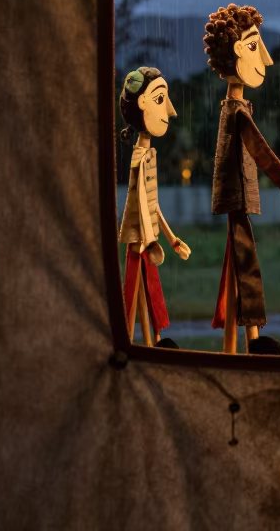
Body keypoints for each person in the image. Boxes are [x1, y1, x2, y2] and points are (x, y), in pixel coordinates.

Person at [203, 4, 280, 356]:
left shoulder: (235, 109)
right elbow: (262, 153)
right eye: (255, 46)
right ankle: (249, 343)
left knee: (241, 265)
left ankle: (247, 341)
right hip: (236, 199)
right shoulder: (236, 112)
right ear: (238, 50)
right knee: (246, 265)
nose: (266, 59)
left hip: (237, 199)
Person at [117, 66, 191, 348]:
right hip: (139, 240)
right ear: (142, 103)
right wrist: (148, 240)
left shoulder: (150, 153)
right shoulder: (139, 157)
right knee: (135, 296)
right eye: (161, 99)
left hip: (149, 240)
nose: (170, 111)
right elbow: (137, 201)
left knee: (152, 293)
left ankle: (156, 341)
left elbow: (152, 203)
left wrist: (171, 239)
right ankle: (135, 344)